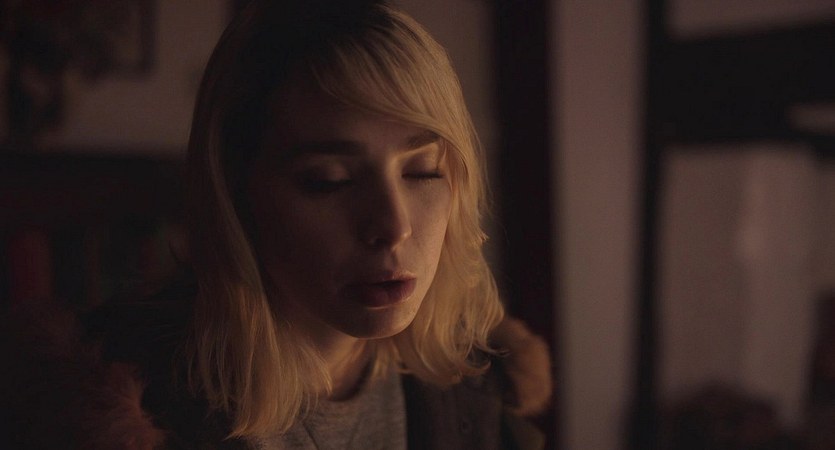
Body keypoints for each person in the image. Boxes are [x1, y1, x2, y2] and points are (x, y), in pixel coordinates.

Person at [1, 0, 552, 448]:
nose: (392, 225)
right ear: (238, 192)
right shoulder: (116, 409)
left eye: (423, 171)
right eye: (329, 180)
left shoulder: (476, 388)